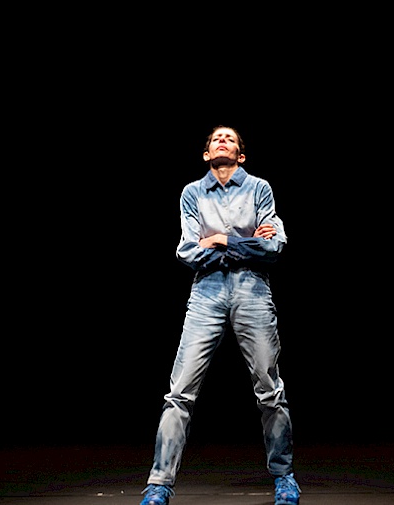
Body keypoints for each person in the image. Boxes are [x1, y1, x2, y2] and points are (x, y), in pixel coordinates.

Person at [139, 126, 299, 505]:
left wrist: (223, 240)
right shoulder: (192, 193)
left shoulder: (260, 188)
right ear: (206, 154)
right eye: (216, 139)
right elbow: (185, 251)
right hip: (207, 292)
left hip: (253, 290)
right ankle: (159, 484)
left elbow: (274, 246)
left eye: (230, 138)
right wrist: (248, 244)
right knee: (179, 392)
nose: (223, 141)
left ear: (241, 155)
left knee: (270, 390)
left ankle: (284, 477)